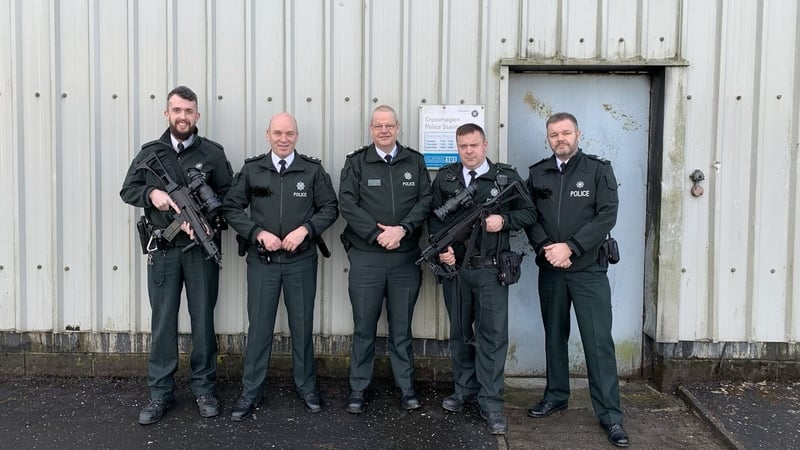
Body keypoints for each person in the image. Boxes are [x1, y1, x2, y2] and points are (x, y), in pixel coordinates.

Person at [120, 85, 233, 425]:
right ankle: (160, 394)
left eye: (188, 111)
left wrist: (206, 220)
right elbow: (128, 189)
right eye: (177, 110)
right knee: (163, 323)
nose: (182, 116)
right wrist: (152, 193)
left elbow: (230, 197)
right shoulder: (149, 152)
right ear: (167, 113)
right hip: (165, 251)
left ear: (197, 115)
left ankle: (203, 388)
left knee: (202, 321)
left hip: (199, 250)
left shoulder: (212, 154)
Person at [222, 112, 339, 420]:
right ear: (267, 134)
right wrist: (256, 233)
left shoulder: (312, 170)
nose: (283, 138)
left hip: (301, 261)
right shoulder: (252, 170)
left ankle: (307, 387)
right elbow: (231, 207)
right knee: (259, 328)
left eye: (289, 133)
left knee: (302, 328)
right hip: (264, 262)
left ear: (297, 136)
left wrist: (307, 229)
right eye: (278, 133)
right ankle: (251, 391)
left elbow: (330, 207)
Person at [524, 112, 629, 447]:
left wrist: (571, 247)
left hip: (588, 271)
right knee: (554, 335)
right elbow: (530, 216)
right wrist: (545, 247)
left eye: (566, 133)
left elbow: (607, 214)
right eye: (554, 134)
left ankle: (610, 415)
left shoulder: (598, 171)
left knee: (597, 343)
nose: (560, 139)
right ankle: (556, 395)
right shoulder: (537, 173)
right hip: (551, 270)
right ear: (548, 138)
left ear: (578, 134)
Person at [428, 123, 536, 435]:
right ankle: (464, 390)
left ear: (485, 145)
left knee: (491, 336)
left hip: (491, 269)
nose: (469, 151)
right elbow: (434, 221)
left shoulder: (504, 177)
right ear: (457, 148)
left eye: (474, 145)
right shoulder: (447, 179)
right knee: (460, 332)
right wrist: (442, 251)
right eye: (463, 146)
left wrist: (504, 221)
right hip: (457, 271)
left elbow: (529, 214)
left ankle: (490, 402)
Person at [338, 105, 432, 413]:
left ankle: (406, 387)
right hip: (367, 258)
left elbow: (425, 201)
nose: (384, 130)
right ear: (370, 128)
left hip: (405, 258)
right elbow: (347, 204)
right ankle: (358, 388)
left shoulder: (414, 162)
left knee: (401, 327)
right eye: (378, 125)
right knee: (364, 326)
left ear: (398, 127)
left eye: (389, 125)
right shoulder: (357, 163)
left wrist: (403, 229)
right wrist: (377, 235)